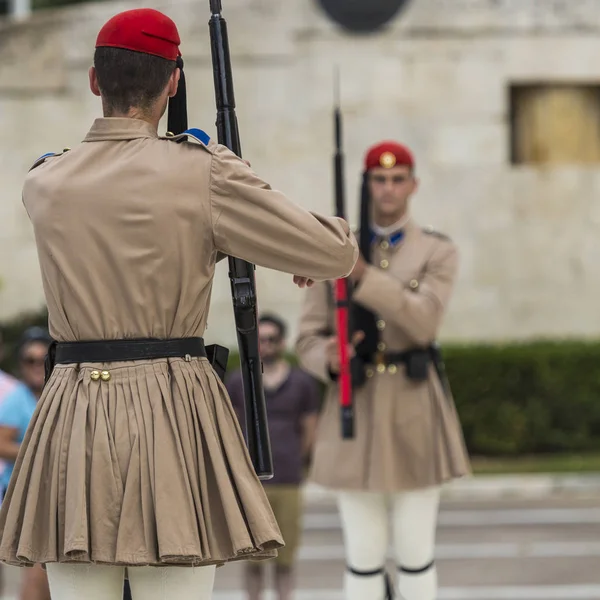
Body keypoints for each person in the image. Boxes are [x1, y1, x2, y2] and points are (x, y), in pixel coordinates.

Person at [0, 8, 358, 600]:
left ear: (95, 81)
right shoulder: (202, 173)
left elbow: (124, 238)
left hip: (72, 404)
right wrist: (241, 208)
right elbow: (334, 253)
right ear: (173, 83)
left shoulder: (44, 181)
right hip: (171, 403)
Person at [295, 141, 471, 600]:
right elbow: (307, 339)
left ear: (413, 185)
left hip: (414, 406)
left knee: (416, 555)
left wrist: (360, 274)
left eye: (398, 178)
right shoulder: (335, 249)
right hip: (355, 406)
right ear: (366, 183)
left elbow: (423, 320)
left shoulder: (436, 250)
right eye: (379, 178)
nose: (388, 188)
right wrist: (327, 359)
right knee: (363, 557)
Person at [226, 313, 321, 600]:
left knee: (286, 558)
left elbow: (310, 429)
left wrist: (299, 459)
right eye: (260, 339)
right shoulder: (237, 381)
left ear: (282, 342)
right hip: (251, 482)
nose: (265, 345)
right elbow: (231, 427)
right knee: (254, 558)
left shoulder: (302, 382)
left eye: (271, 339)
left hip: (289, 478)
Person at [0, 327, 52, 600]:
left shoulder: (56, 395)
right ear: (22, 364)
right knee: (36, 572)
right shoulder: (16, 399)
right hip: (25, 497)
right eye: (31, 360)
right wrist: (38, 451)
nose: (37, 366)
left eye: (43, 359)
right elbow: (1, 443)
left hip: (54, 495)